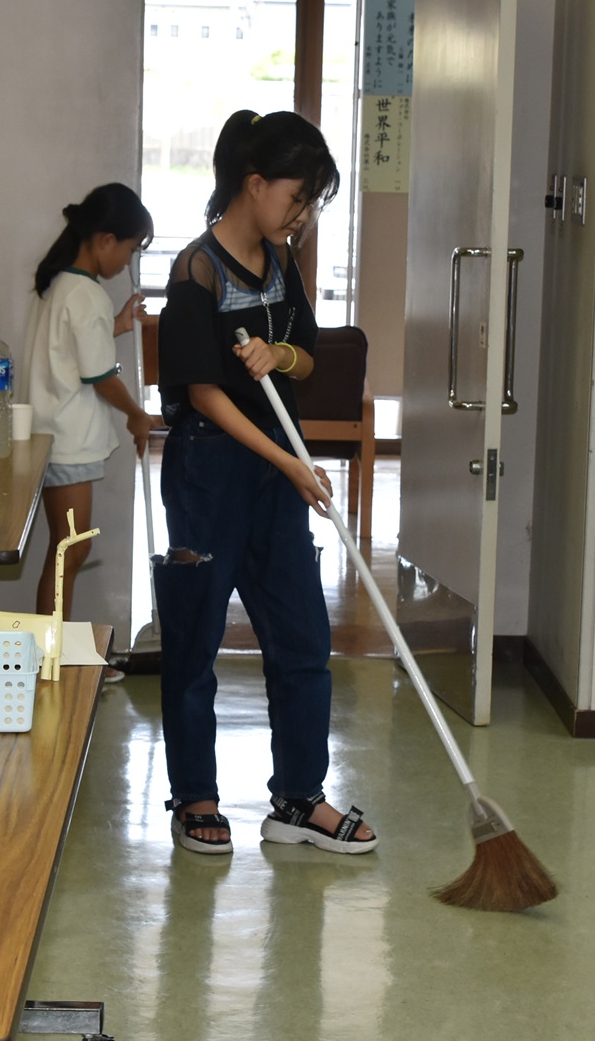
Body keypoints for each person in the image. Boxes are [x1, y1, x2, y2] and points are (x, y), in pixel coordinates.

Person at [155, 110, 377, 856]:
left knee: (302, 637)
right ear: (254, 184)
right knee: (196, 639)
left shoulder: (282, 263)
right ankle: (196, 796)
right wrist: (288, 462)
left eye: (312, 201)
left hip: (275, 472)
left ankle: (298, 800)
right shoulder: (196, 271)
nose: (302, 214)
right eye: (296, 196)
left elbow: (307, 357)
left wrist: (278, 358)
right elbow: (203, 393)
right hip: (210, 470)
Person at [23, 182, 155, 620]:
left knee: (68, 548)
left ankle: (53, 644)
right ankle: (52, 648)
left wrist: (116, 324)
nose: (127, 262)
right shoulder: (87, 294)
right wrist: (137, 414)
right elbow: (98, 376)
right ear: (105, 240)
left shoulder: (59, 284)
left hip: (50, 434)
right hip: (69, 441)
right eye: (130, 250)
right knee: (71, 550)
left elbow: (72, 350)